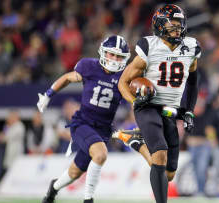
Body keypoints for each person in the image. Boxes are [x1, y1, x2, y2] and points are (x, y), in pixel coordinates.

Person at [37, 35, 142, 203]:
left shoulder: (125, 76)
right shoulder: (89, 66)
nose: (114, 59)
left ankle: (53, 188)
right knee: (100, 155)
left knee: (74, 172)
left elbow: (133, 101)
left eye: (119, 56)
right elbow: (67, 78)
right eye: (111, 54)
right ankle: (88, 200)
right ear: (103, 52)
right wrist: (48, 94)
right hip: (83, 123)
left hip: (103, 128)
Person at [117, 4, 200, 203]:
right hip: (148, 106)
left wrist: (189, 111)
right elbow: (123, 82)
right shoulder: (149, 46)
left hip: (170, 109)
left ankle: (137, 142)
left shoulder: (191, 47)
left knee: (169, 172)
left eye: (179, 24)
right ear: (159, 26)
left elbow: (193, 81)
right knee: (160, 153)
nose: (177, 29)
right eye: (171, 25)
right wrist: (136, 100)